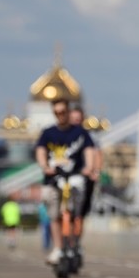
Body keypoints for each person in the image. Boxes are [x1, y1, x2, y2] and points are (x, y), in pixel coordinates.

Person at [35, 98, 96, 264]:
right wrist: (44, 166)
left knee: (77, 210)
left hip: (75, 176)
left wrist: (89, 167)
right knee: (54, 213)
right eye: (56, 113)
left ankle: (75, 242)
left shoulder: (80, 133)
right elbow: (41, 151)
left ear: (68, 112)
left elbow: (90, 150)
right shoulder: (48, 133)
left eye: (62, 112)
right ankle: (58, 248)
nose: (60, 116)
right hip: (54, 178)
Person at [69, 104, 103, 238]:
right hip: (67, 175)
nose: (76, 121)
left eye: (78, 119)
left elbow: (97, 154)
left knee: (81, 211)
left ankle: (76, 240)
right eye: (73, 118)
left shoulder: (89, 137)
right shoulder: (65, 135)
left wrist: (95, 172)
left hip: (84, 176)